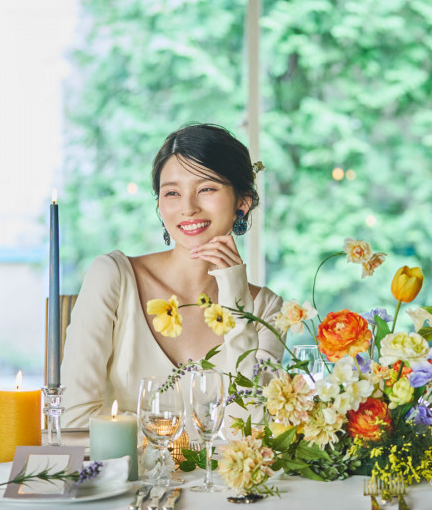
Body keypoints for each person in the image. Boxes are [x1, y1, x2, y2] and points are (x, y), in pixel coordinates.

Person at [61, 123, 284, 428]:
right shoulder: (112, 277)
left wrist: (234, 288)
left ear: (242, 203)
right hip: (125, 474)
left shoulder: (267, 309)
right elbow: (74, 420)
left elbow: (255, 427)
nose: (188, 208)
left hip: (220, 477)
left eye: (206, 189)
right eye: (172, 193)